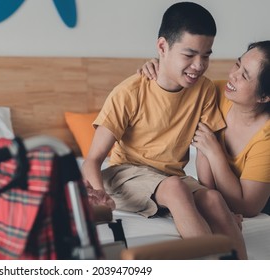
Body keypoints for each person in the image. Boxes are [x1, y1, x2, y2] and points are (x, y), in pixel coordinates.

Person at [82, 2, 248, 259]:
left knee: (213, 200)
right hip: (125, 176)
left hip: (171, 178)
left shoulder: (203, 90)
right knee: (174, 189)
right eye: (189, 54)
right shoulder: (130, 92)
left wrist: (212, 200)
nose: (199, 65)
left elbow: (203, 149)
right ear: (162, 47)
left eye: (206, 55)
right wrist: (99, 197)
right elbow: (92, 159)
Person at [141, 41, 270, 218]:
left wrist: (215, 153)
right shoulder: (212, 92)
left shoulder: (266, 137)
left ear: (264, 97)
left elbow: (248, 207)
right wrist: (158, 66)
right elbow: (172, 82)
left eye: (245, 76)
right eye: (238, 64)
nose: (233, 75)